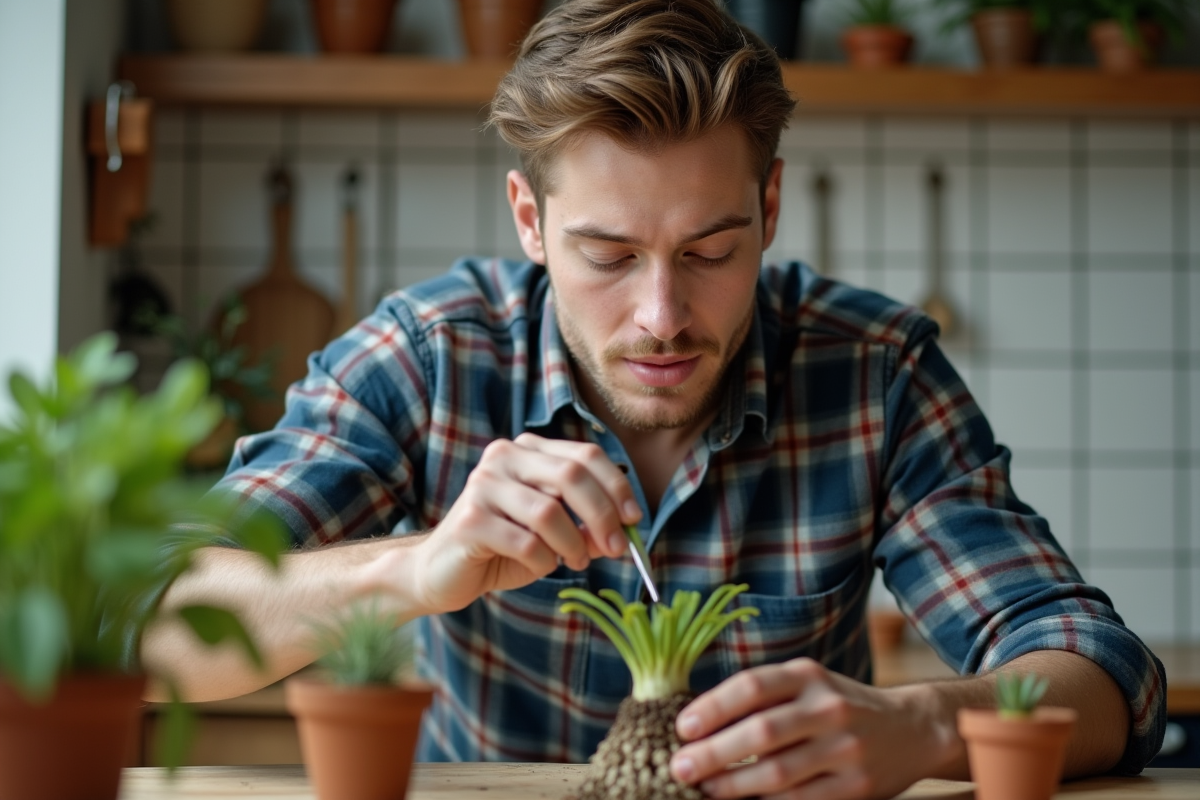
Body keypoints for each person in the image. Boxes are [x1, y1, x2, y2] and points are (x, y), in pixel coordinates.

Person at [142, 1, 1166, 797]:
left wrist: (928, 724)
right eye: (608, 254)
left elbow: (1107, 673)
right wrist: (417, 564)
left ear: (769, 206)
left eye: (711, 250)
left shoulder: (874, 371)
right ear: (530, 221)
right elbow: (146, 621)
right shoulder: (431, 357)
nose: (662, 315)